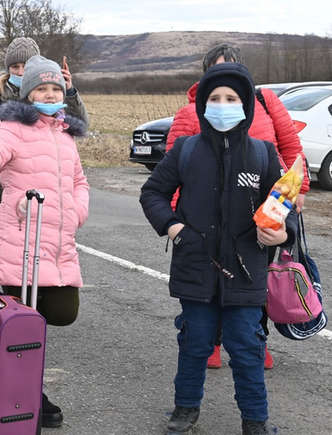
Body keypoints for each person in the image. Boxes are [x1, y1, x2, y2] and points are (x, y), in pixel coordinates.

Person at [140, 62, 298, 435]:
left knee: (247, 349)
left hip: (247, 272)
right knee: (194, 342)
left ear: (245, 105)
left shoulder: (263, 154)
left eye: (231, 98)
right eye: (214, 98)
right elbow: (153, 193)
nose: (222, 104)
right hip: (195, 267)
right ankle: (185, 409)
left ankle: (255, 420)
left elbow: (283, 208)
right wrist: (174, 227)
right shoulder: (186, 150)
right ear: (202, 105)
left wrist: (283, 234)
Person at [166, 43, 309, 369]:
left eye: (232, 69)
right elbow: (175, 171)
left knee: (255, 281)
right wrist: (177, 222)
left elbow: (291, 147)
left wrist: (300, 191)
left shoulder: (265, 102)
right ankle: (210, 342)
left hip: (264, 211)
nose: (225, 78)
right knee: (209, 282)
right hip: (208, 216)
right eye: (217, 70)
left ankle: (256, 340)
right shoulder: (191, 113)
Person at [0, 55, 89, 428]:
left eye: (55, 88)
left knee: (64, 311)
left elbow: (80, 181)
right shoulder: (12, 128)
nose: (50, 94)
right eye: (42, 88)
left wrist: (76, 213)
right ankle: (25, 396)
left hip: (57, 245)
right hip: (22, 243)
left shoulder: (66, 134)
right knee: (24, 326)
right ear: (27, 92)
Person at [0, 37, 90, 223]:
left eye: (25, 66)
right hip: (2, 187)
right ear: (8, 68)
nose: (20, 72)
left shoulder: (49, 97)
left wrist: (69, 92)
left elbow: (78, 125)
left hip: (47, 189)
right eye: (15, 67)